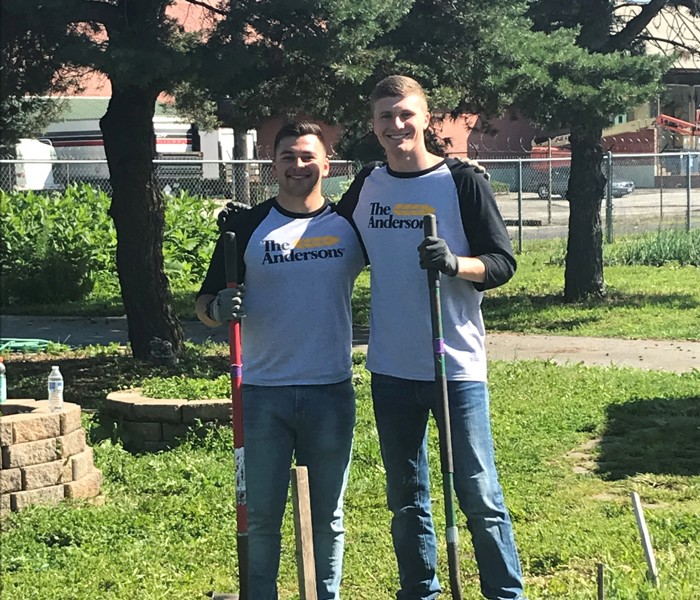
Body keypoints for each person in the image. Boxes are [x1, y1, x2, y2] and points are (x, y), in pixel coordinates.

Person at [336, 75, 526, 600]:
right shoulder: (367, 184)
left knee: (478, 490)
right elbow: (321, 232)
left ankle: (505, 594)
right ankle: (420, 591)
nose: (396, 125)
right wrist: (256, 219)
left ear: (425, 119)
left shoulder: (461, 181)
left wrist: (455, 263)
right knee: (405, 495)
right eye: (385, 117)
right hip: (391, 368)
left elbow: (503, 262)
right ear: (373, 126)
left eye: (405, 114)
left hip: (456, 365)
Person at [196, 122, 366, 600]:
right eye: (288, 157)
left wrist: (456, 174)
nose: (298, 165)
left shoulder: (350, 227)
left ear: (327, 164)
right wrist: (215, 310)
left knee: (327, 516)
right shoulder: (245, 227)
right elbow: (204, 302)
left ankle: (322, 594)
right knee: (262, 514)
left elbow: (402, 206)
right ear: (274, 165)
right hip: (261, 394)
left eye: (308, 157)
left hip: (331, 392)